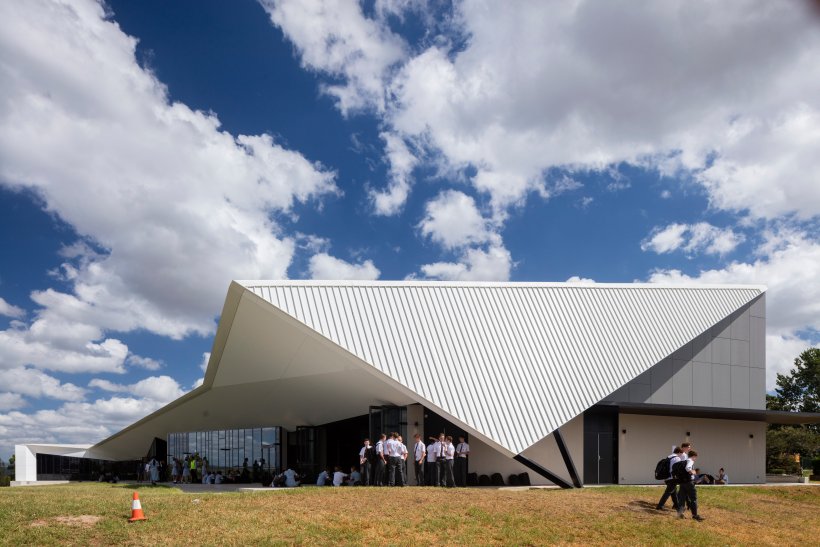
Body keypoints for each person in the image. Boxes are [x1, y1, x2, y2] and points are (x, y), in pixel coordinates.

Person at [676, 450, 704, 521]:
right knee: (693, 498)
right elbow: (688, 468)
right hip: (689, 482)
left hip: (682, 482)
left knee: (682, 499)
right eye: (695, 457)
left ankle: (680, 514)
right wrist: (693, 472)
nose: (695, 459)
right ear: (694, 456)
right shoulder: (690, 461)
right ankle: (695, 515)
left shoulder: (684, 461)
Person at [656, 447, 684, 511]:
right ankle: (660, 506)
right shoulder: (677, 458)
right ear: (679, 452)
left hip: (667, 477)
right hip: (672, 478)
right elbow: (677, 469)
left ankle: (677, 506)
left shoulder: (669, 457)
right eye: (681, 454)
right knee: (668, 492)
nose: (681, 456)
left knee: (674, 493)